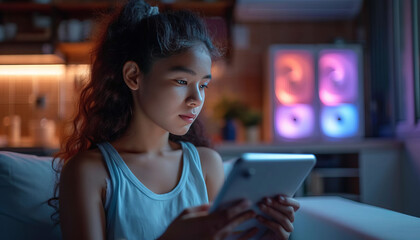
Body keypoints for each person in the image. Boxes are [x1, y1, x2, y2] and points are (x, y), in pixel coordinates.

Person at [51, 0, 300, 239]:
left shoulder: (207, 165)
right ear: (133, 76)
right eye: (182, 81)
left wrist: (266, 235)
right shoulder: (89, 172)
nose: (196, 99)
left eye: (203, 85)